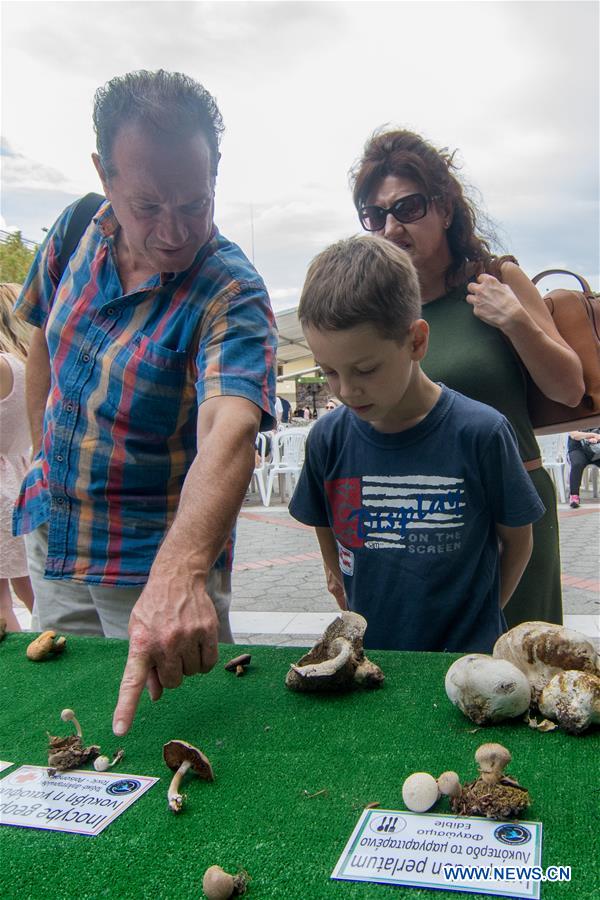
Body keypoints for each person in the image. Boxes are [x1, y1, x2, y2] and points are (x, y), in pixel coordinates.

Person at [13, 70, 277, 735]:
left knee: (172, 744)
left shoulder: (232, 291)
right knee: (67, 722)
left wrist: (182, 572)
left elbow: (230, 428)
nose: (173, 231)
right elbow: (42, 337)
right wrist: (45, 456)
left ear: (216, 174)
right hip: (56, 535)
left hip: (151, 562)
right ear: (104, 175)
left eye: (195, 202)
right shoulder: (76, 226)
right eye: (148, 204)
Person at [349, 129, 584, 628]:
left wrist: (515, 319)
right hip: (422, 518)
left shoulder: (495, 280)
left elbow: (570, 388)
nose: (391, 227)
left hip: (512, 511)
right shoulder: (384, 310)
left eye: (408, 207)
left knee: (521, 670)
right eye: (375, 215)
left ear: (446, 209)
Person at [289, 236, 545, 652]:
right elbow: (321, 513)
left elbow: (519, 540)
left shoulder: (481, 432)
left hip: (465, 659)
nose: (347, 390)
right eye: (329, 372)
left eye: (366, 368)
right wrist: (333, 570)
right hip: (374, 657)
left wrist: (486, 612)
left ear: (416, 341)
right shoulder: (328, 439)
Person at [0, 284, 35, 631]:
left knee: (0, 603)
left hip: (0, 486)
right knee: (31, 590)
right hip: (21, 478)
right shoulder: (27, 363)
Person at [567, 428, 600, 507]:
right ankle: (574, 495)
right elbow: (574, 435)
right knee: (577, 464)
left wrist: (596, 439)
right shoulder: (571, 418)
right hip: (578, 449)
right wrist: (593, 435)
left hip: (597, 449)